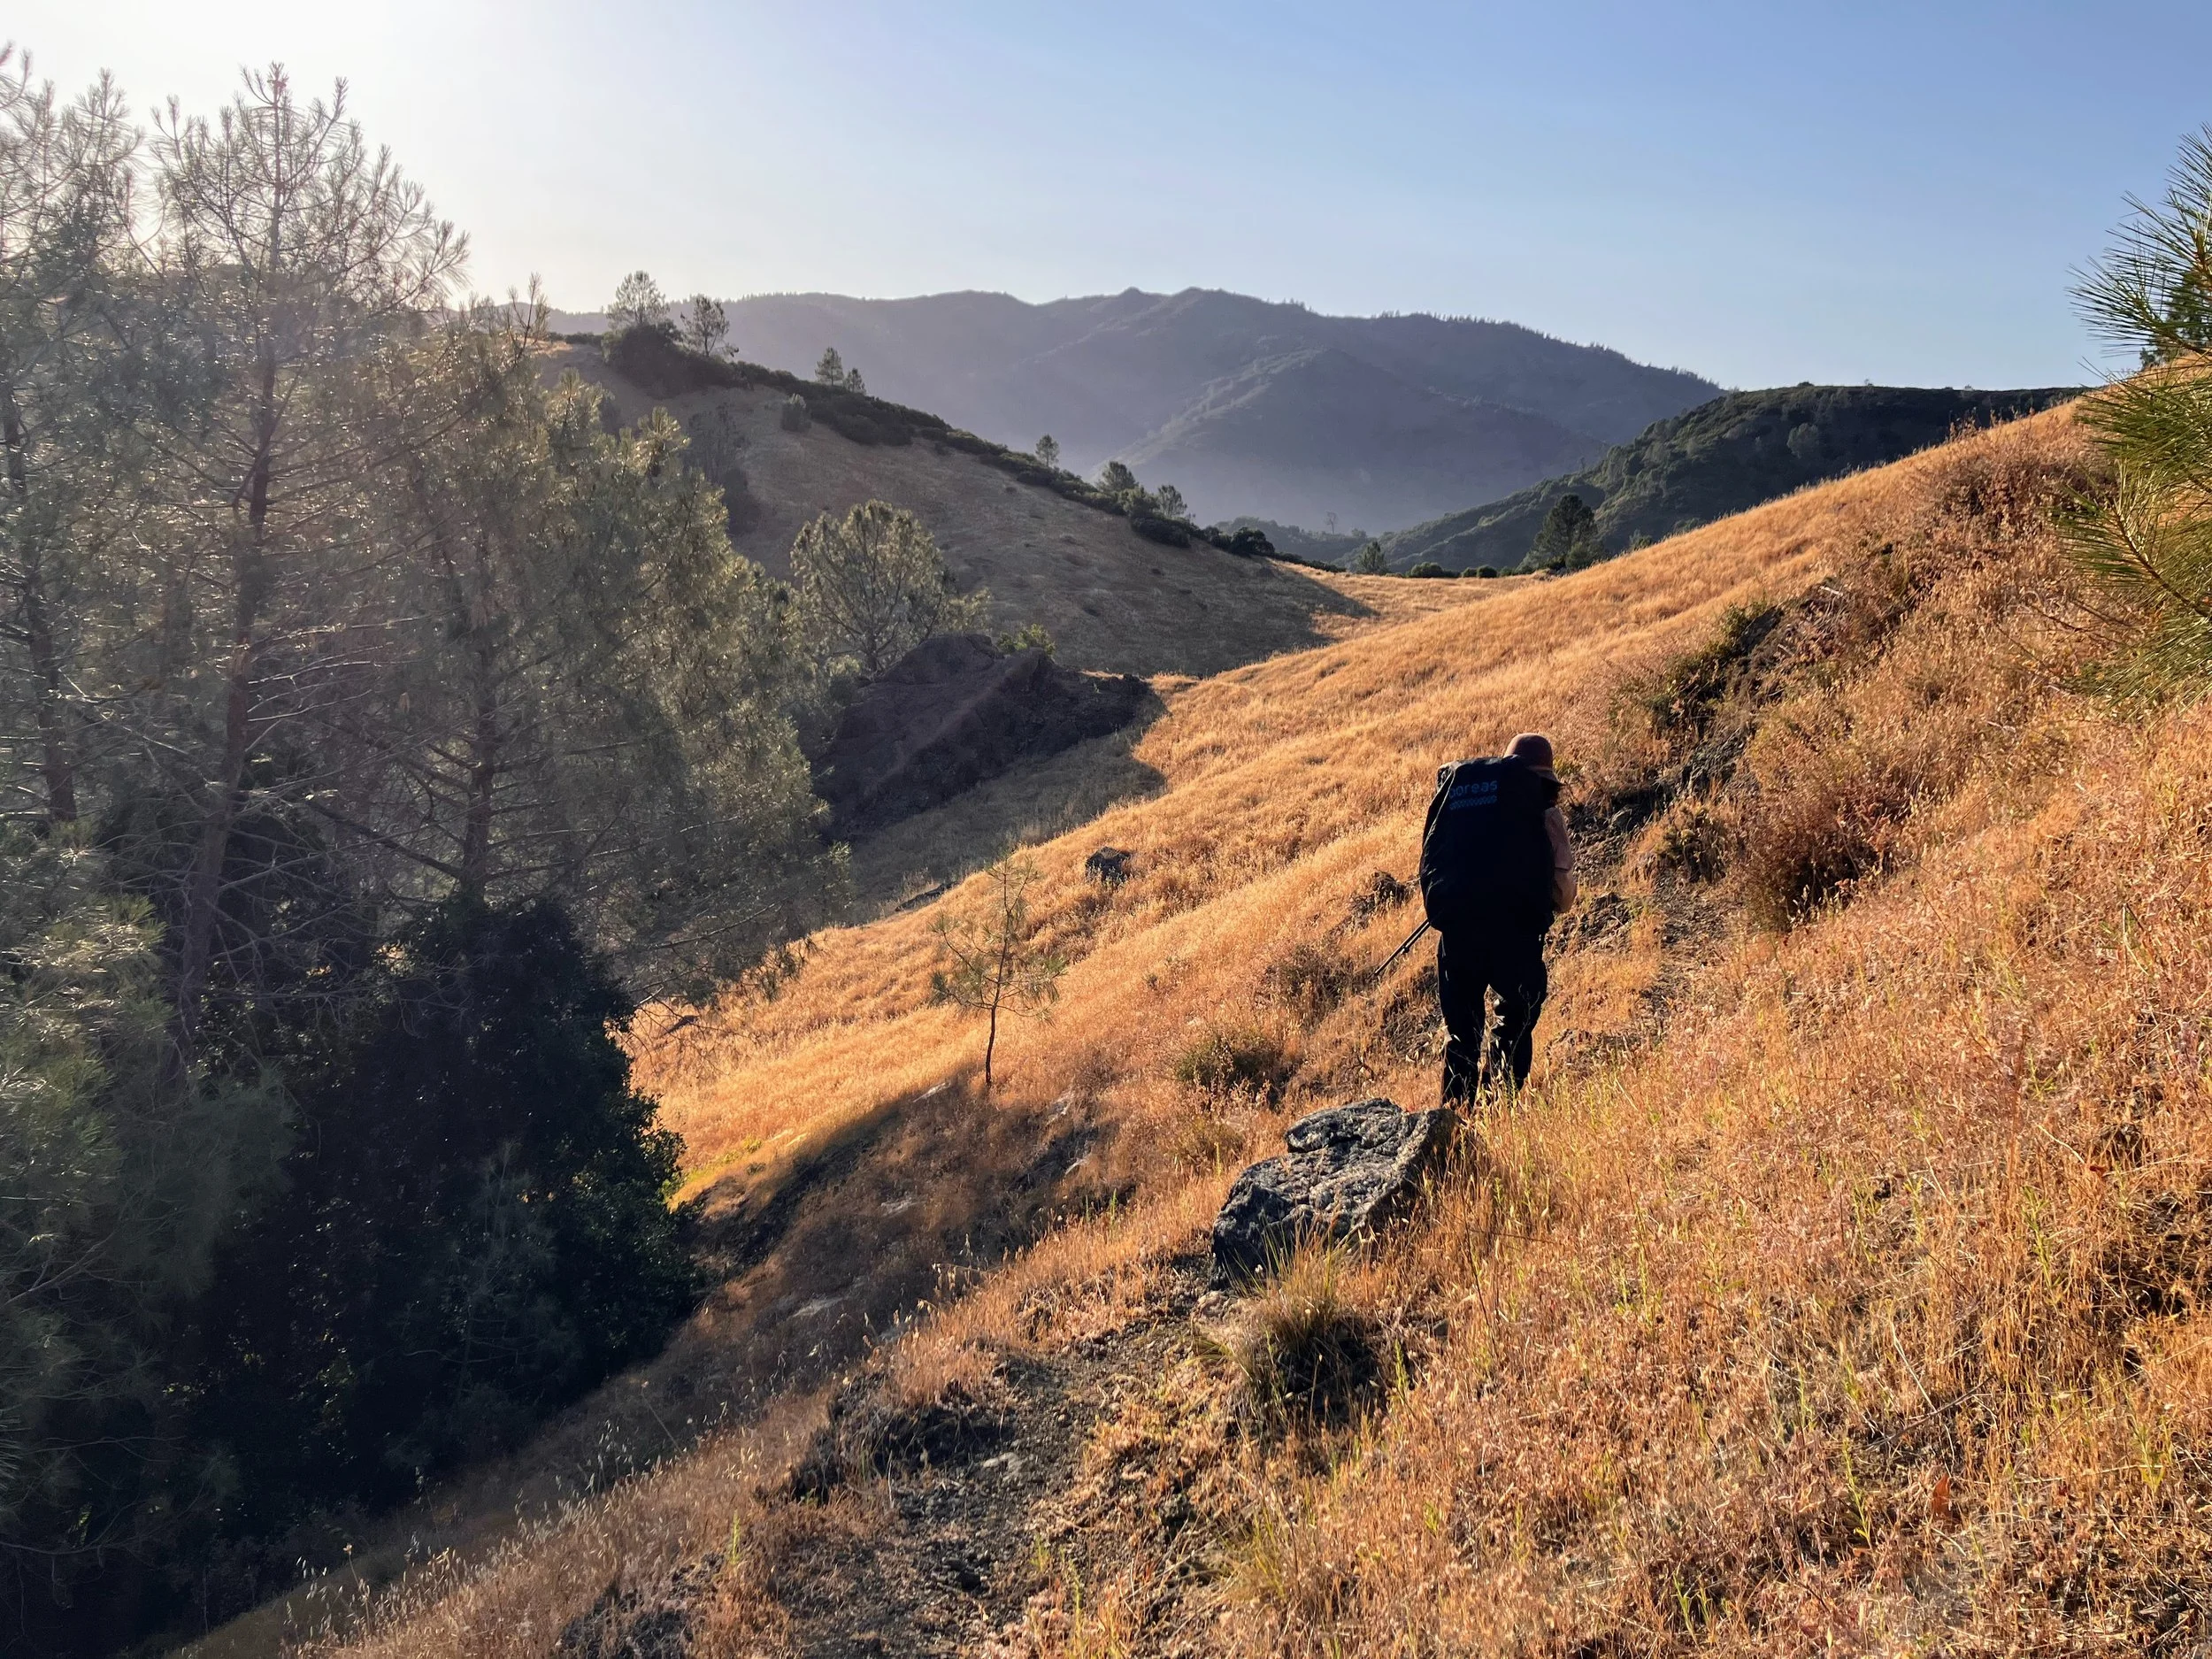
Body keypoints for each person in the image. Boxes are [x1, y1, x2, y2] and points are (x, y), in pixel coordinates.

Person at [1416, 731, 1578, 1103]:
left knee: (1461, 1035)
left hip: (1457, 937)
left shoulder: (1464, 804)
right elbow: (1564, 893)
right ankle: (1499, 1110)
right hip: (1517, 938)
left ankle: (1454, 1125)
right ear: (1546, 779)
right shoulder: (1546, 815)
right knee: (1514, 1026)